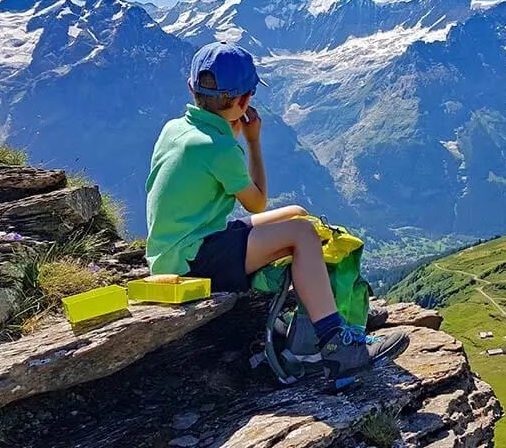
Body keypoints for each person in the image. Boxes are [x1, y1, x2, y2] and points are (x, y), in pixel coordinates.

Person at [144, 41, 407, 387]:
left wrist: (233, 132)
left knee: (297, 214)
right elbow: (257, 203)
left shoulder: (175, 129)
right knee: (301, 234)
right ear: (243, 101)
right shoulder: (219, 147)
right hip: (193, 259)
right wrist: (252, 142)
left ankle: (327, 311)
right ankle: (336, 346)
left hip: (176, 249)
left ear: (192, 88)